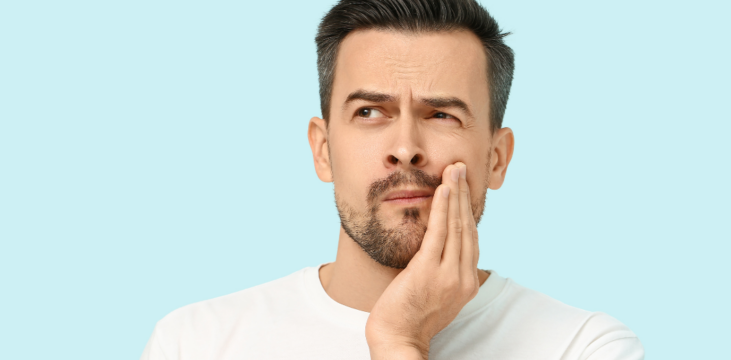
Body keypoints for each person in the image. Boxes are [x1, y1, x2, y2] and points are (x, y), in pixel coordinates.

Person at [140, 0, 644, 359]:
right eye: (369, 112)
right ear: (323, 151)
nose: (405, 147)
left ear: (496, 158)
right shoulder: (193, 343)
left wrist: (401, 341)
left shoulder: (582, 345)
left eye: (442, 115)